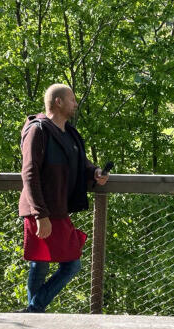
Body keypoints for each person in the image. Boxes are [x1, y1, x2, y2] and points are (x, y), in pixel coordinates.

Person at [18, 84, 108, 313]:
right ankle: (34, 310)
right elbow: (29, 173)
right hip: (42, 211)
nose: (76, 104)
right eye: (72, 100)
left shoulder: (69, 133)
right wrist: (40, 215)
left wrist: (95, 172)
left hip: (58, 209)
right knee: (70, 265)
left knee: (40, 264)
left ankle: (33, 316)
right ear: (58, 102)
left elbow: (80, 163)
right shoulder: (38, 130)